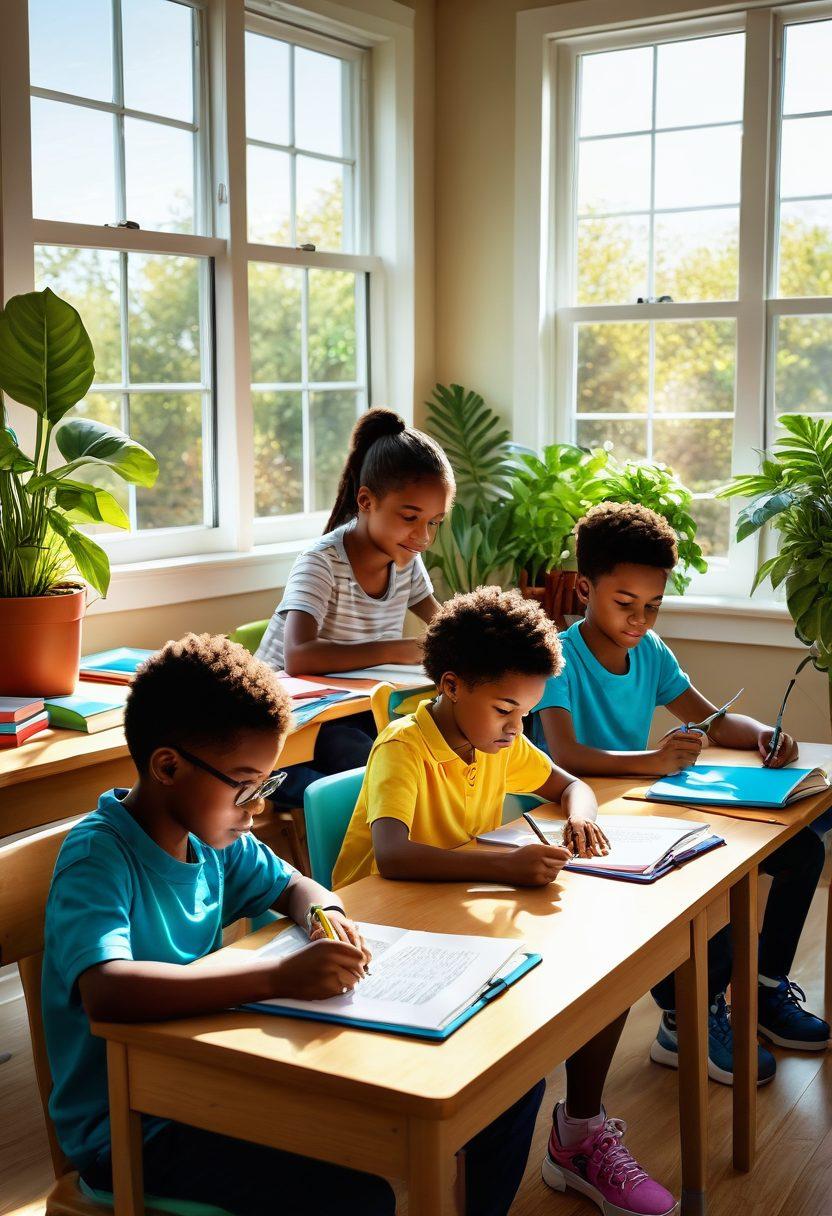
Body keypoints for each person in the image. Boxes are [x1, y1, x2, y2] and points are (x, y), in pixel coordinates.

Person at [335, 587, 678, 1216]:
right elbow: (393, 855)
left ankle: (579, 1131)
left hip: (456, 917)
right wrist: (509, 864)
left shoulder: (496, 739)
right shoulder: (403, 748)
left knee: (598, 973)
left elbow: (569, 783)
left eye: (525, 714)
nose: (516, 729)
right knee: (518, 1052)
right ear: (452, 685)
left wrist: (579, 816)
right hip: (377, 937)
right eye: (505, 711)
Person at [531, 502, 830, 1085]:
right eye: (625, 604)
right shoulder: (558, 658)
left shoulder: (650, 651)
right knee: (707, 881)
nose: (640, 619)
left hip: (645, 806)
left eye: (653, 606)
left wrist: (764, 734)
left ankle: (765, 993)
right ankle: (684, 1016)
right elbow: (563, 755)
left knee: (802, 854)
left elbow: (713, 720)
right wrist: (652, 759)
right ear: (585, 587)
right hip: (577, 820)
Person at [256, 407, 454, 805]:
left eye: (434, 522)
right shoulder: (321, 562)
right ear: (366, 500)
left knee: (424, 749)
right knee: (377, 768)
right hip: (284, 726)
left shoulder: (406, 562)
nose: (423, 536)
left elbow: (445, 627)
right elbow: (298, 657)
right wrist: (396, 649)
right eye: (410, 517)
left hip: (349, 709)